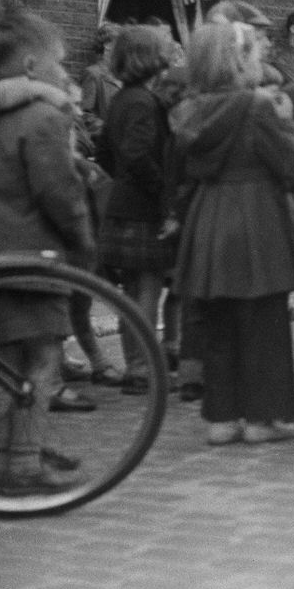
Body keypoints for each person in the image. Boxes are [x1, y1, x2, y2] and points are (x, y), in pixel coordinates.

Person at [170, 20, 294, 446]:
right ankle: (264, 417)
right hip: (256, 215)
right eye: (253, 54)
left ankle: (222, 417)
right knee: (263, 320)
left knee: (219, 323)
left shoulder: (189, 109)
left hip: (208, 215)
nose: (261, 60)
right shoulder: (255, 107)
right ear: (236, 61)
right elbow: (291, 165)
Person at [0, 4, 94, 495]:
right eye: (60, 63)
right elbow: (59, 194)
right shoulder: (42, 117)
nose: (64, 74)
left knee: (4, 362)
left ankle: (8, 449)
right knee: (43, 358)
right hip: (32, 257)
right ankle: (23, 462)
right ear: (32, 67)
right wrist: (81, 239)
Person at [96, 25, 175, 396]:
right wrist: (163, 191)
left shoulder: (122, 99)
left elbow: (107, 155)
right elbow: (137, 154)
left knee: (131, 291)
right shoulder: (144, 102)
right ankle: (143, 368)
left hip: (121, 206)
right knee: (147, 289)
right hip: (143, 209)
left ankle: (136, 365)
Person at [79, 21, 121, 141]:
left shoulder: (122, 75)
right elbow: (85, 114)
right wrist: (109, 130)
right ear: (107, 45)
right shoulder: (93, 74)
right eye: (120, 44)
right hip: (103, 142)